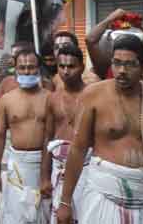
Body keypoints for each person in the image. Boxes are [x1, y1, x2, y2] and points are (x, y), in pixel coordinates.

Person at [56, 34, 143, 224]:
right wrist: (65, 201)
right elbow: (78, 148)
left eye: (130, 64)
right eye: (116, 63)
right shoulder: (93, 95)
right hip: (104, 193)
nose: (121, 71)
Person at [0, 47, 50, 224]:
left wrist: (46, 176)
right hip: (16, 164)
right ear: (15, 69)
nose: (27, 71)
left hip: (43, 163)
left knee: (41, 214)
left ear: (39, 68)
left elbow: (51, 137)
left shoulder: (50, 98)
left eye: (31, 67)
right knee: (14, 215)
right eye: (22, 67)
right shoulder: (7, 100)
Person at [40, 45, 89, 224]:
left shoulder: (93, 95)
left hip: (87, 168)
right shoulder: (52, 98)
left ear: (82, 67)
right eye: (62, 66)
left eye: (71, 66)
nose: (66, 71)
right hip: (58, 167)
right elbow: (48, 137)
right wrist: (44, 177)